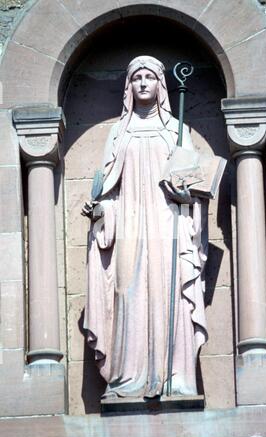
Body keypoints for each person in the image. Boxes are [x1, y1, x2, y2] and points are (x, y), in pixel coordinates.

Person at [82, 56, 208, 399]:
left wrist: (183, 192)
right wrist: (100, 209)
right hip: (129, 226)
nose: (142, 83)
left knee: (171, 294)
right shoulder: (118, 132)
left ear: (160, 85)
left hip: (168, 223)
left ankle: (174, 378)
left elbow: (193, 191)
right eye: (136, 77)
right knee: (126, 293)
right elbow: (106, 188)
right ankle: (126, 378)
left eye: (149, 77)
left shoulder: (176, 130)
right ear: (129, 86)